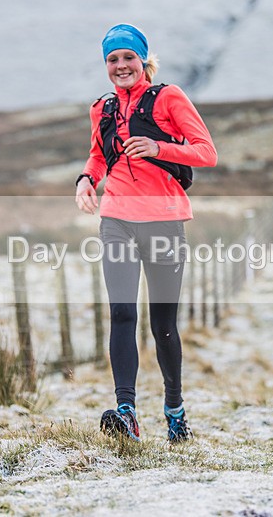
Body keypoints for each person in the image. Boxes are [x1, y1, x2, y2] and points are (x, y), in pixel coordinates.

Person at [75, 23, 218, 443]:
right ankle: (127, 413)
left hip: (164, 221)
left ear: (142, 60)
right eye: (112, 60)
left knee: (163, 325)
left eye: (128, 58)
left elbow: (206, 152)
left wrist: (159, 149)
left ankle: (174, 410)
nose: (121, 66)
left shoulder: (169, 97)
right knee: (121, 313)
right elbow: (99, 154)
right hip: (116, 218)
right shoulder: (101, 108)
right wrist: (86, 179)